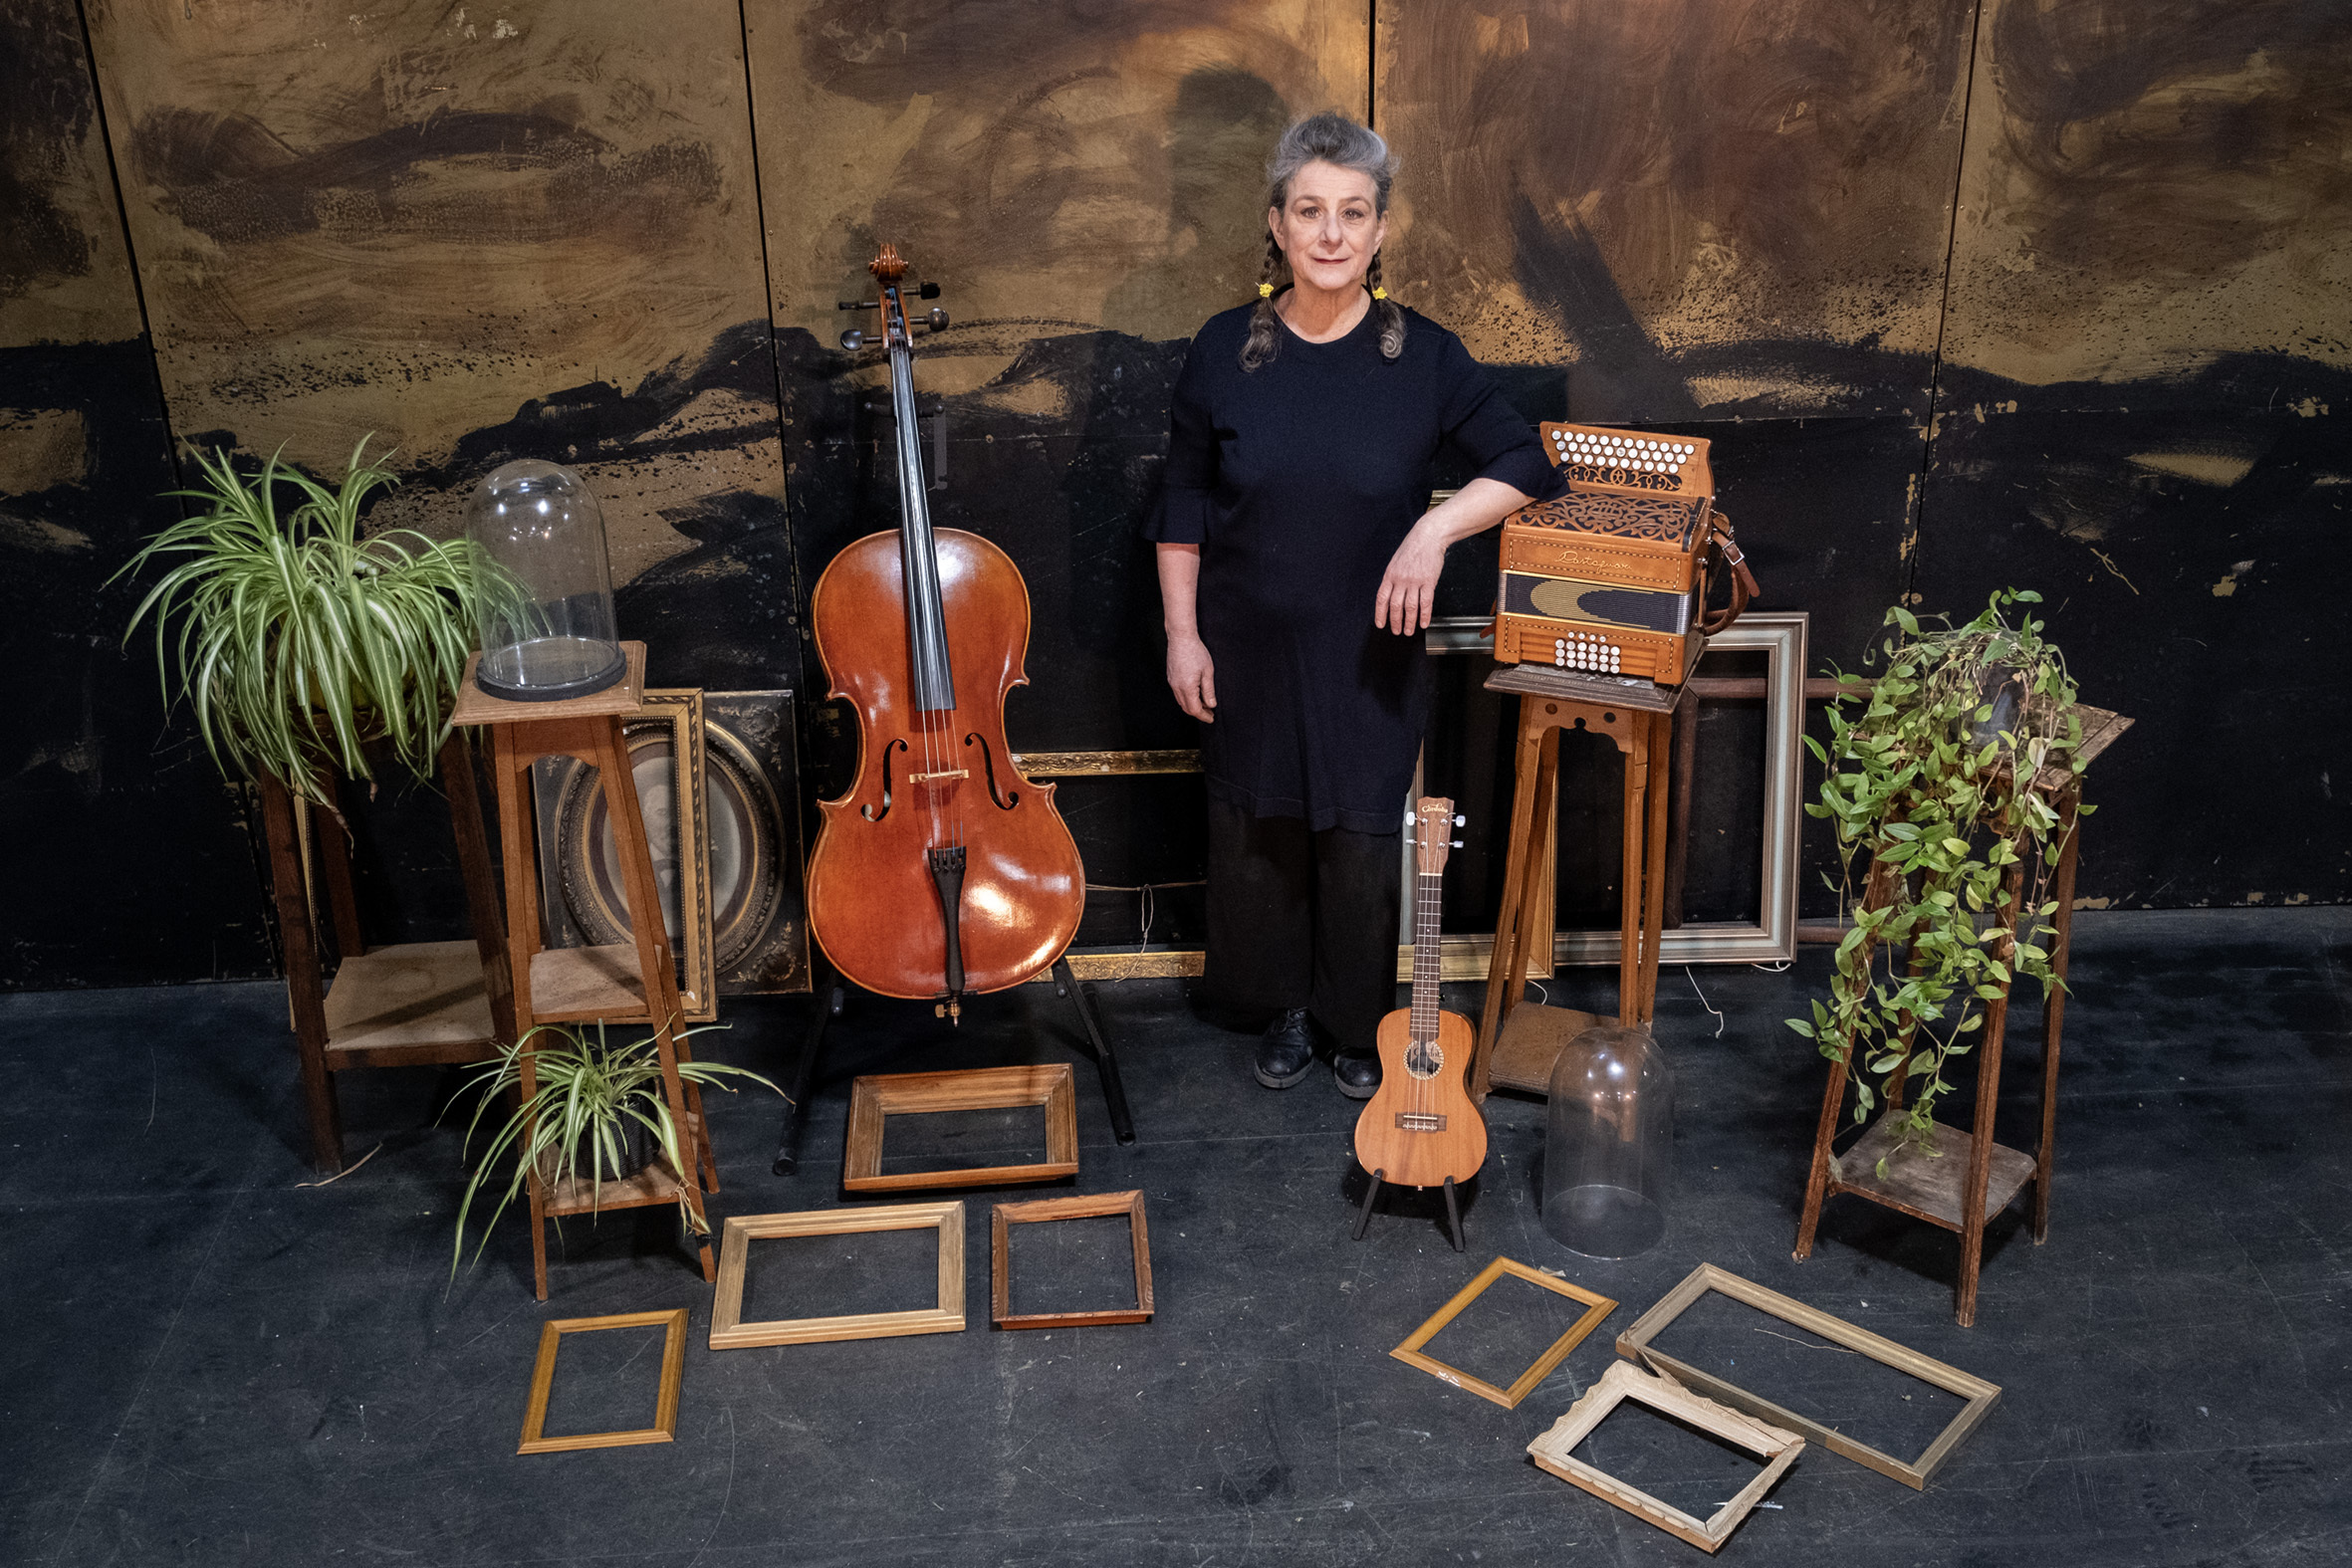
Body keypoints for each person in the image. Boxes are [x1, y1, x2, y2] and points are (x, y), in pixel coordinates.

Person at [1149, 112, 1562, 1098]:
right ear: (1277, 225)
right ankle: (1283, 1009)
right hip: (1244, 643)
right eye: (1309, 211)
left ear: (1380, 230)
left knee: (1358, 839)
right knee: (1261, 834)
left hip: (1370, 650)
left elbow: (1527, 462)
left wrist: (1433, 530)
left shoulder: (1424, 359)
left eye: (1352, 212)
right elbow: (1182, 501)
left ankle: (1351, 1023)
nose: (1330, 233)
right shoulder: (1222, 350)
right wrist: (1181, 633)